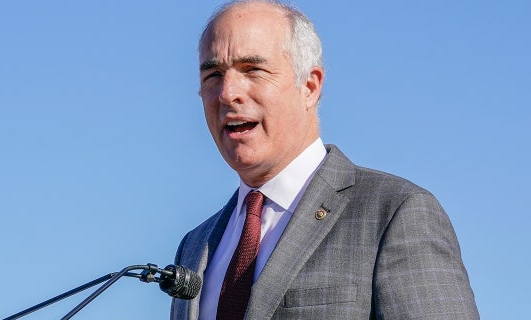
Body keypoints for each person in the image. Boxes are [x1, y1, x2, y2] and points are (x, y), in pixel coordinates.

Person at [170, 0, 479, 319]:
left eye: (253, 70)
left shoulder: (394, 213)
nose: (227, 93)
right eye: (213, 75)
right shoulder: (194, 246)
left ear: (310, 86)